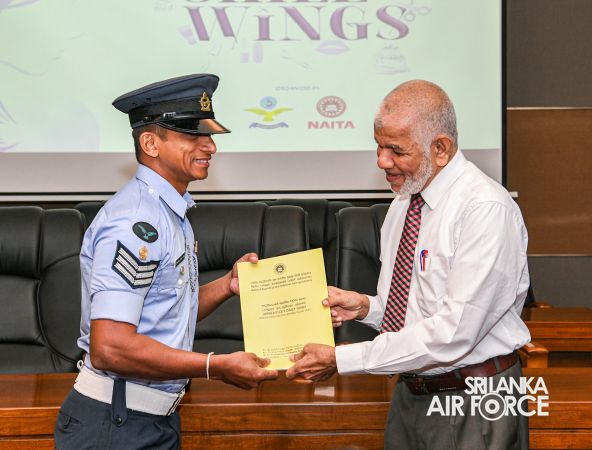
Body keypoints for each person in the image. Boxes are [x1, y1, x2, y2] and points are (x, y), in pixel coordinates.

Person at [286, 80, 531, 450]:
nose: (382, 161)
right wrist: (366, 308)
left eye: (396, 150)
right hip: (411, 393)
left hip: (475, 398)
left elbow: (453, 333)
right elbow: (416, 310)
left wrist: (341, 358)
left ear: (441, 148)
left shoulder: (485, 210)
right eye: (378, 146)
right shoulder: (405, 202)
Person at [54, 74, 278, 450]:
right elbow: (111, 347)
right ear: (150, 143)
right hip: (116, 425)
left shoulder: (169, 214)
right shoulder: (135, 223)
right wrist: (214, 366)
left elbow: (164, 314)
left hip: (149, 420)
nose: (210, 146)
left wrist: (227, 286)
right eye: (192, 135)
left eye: (209, 136)